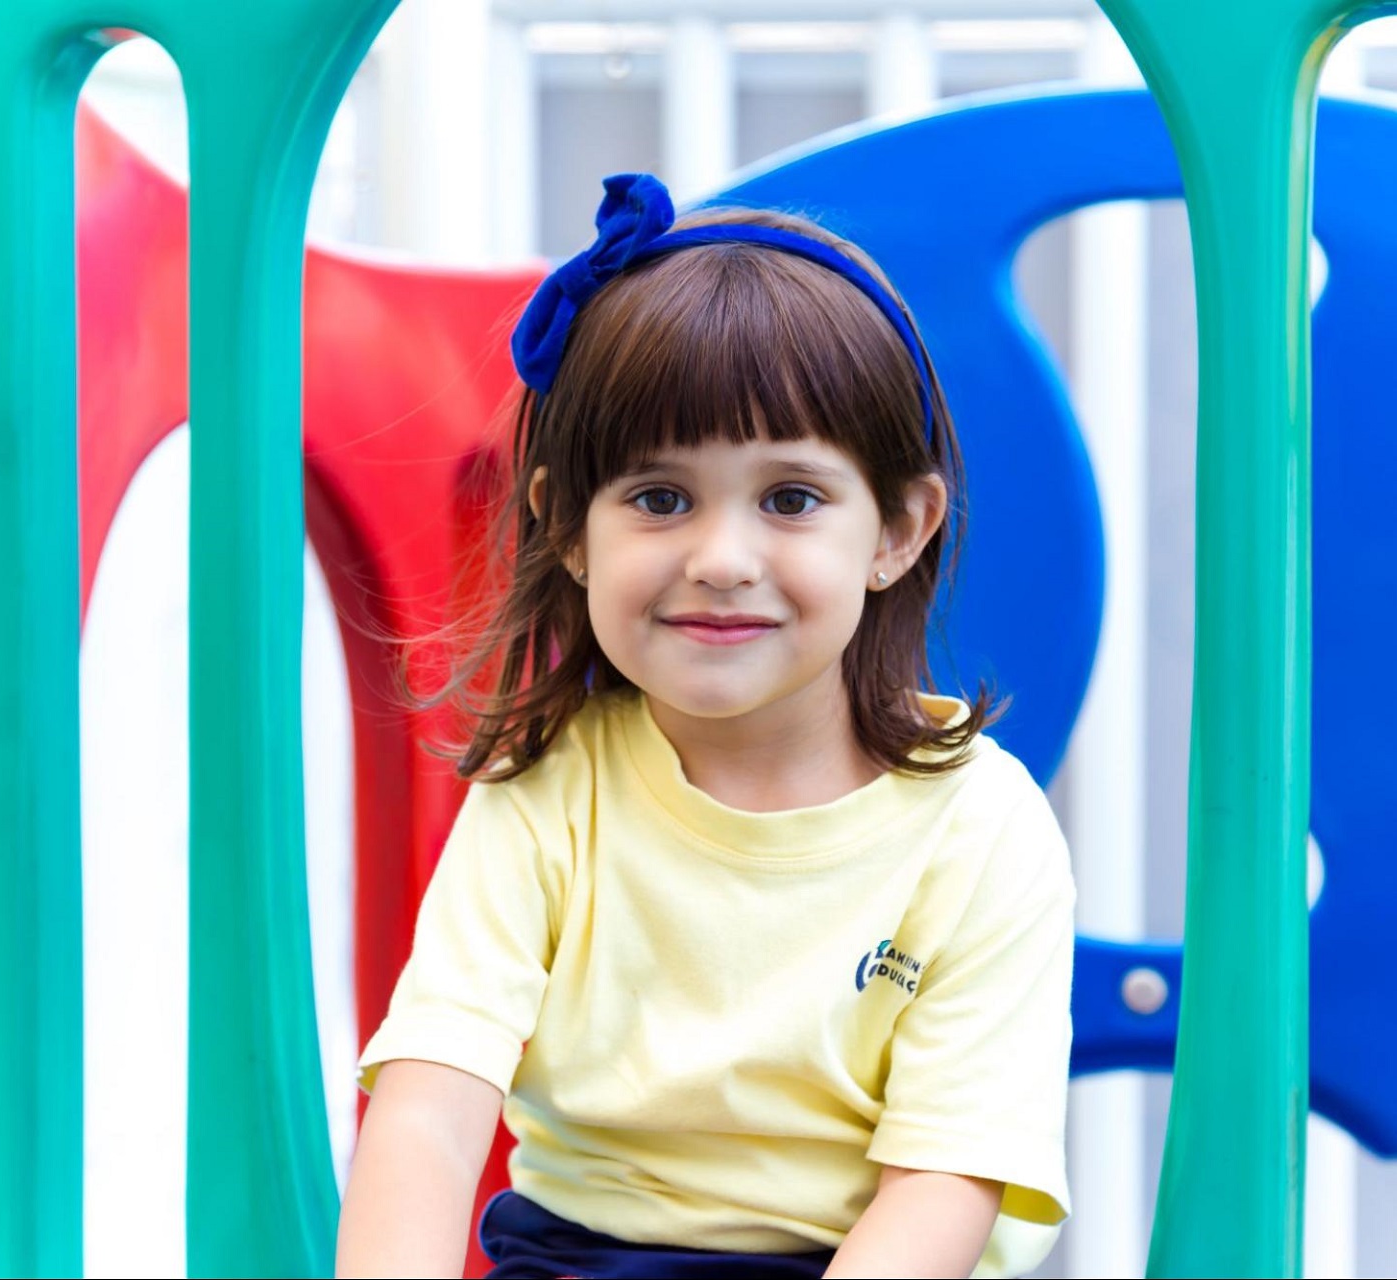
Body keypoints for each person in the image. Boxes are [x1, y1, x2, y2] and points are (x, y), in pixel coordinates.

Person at [334, 173, 1076, 1280]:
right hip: (578, 1260)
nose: (721, 559)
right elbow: (432, 1104)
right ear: (566, 527)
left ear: (898, 530)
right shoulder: (550, 790)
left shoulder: (982, 830)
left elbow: (943, 1182)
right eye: (661, 497)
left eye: (789, 498)